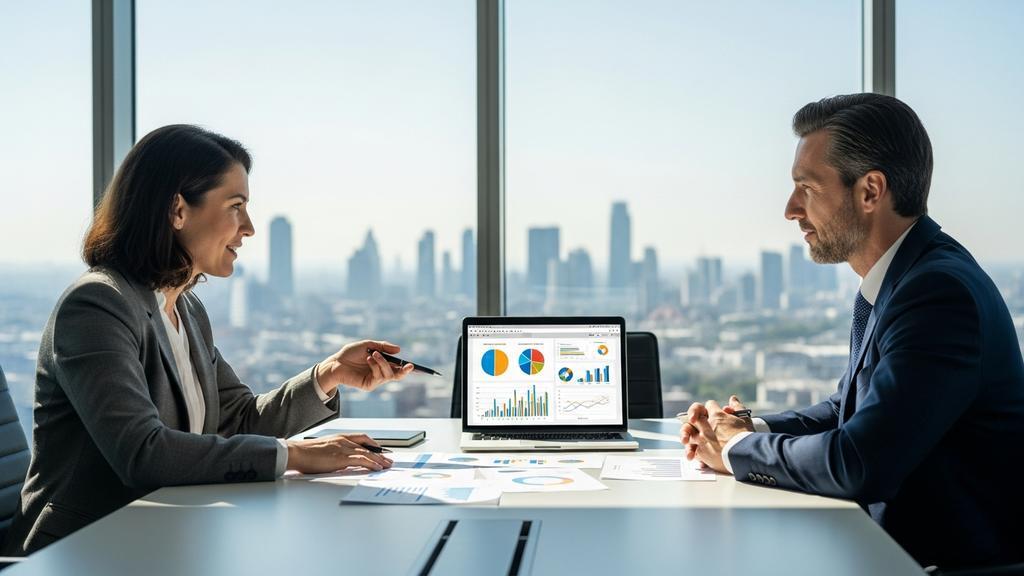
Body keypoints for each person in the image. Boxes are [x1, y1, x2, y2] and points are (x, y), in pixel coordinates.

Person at [3, 125, 415, 555]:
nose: (249, 228)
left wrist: (327, 375)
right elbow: (142, 453)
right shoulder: (97, 305)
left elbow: (238, 421)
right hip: (82, 550)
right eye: (236, 206)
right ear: (176, 210)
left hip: (167, 534)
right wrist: (294, 455)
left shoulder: (185, 309)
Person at [680, 94, 1024, 570]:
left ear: (870, 191)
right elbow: (847, 411)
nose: (790, 209)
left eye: (807, 187)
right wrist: (748, 427)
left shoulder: (937, 295)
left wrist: (737, 450)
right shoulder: (901, 279)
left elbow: (859, 462)